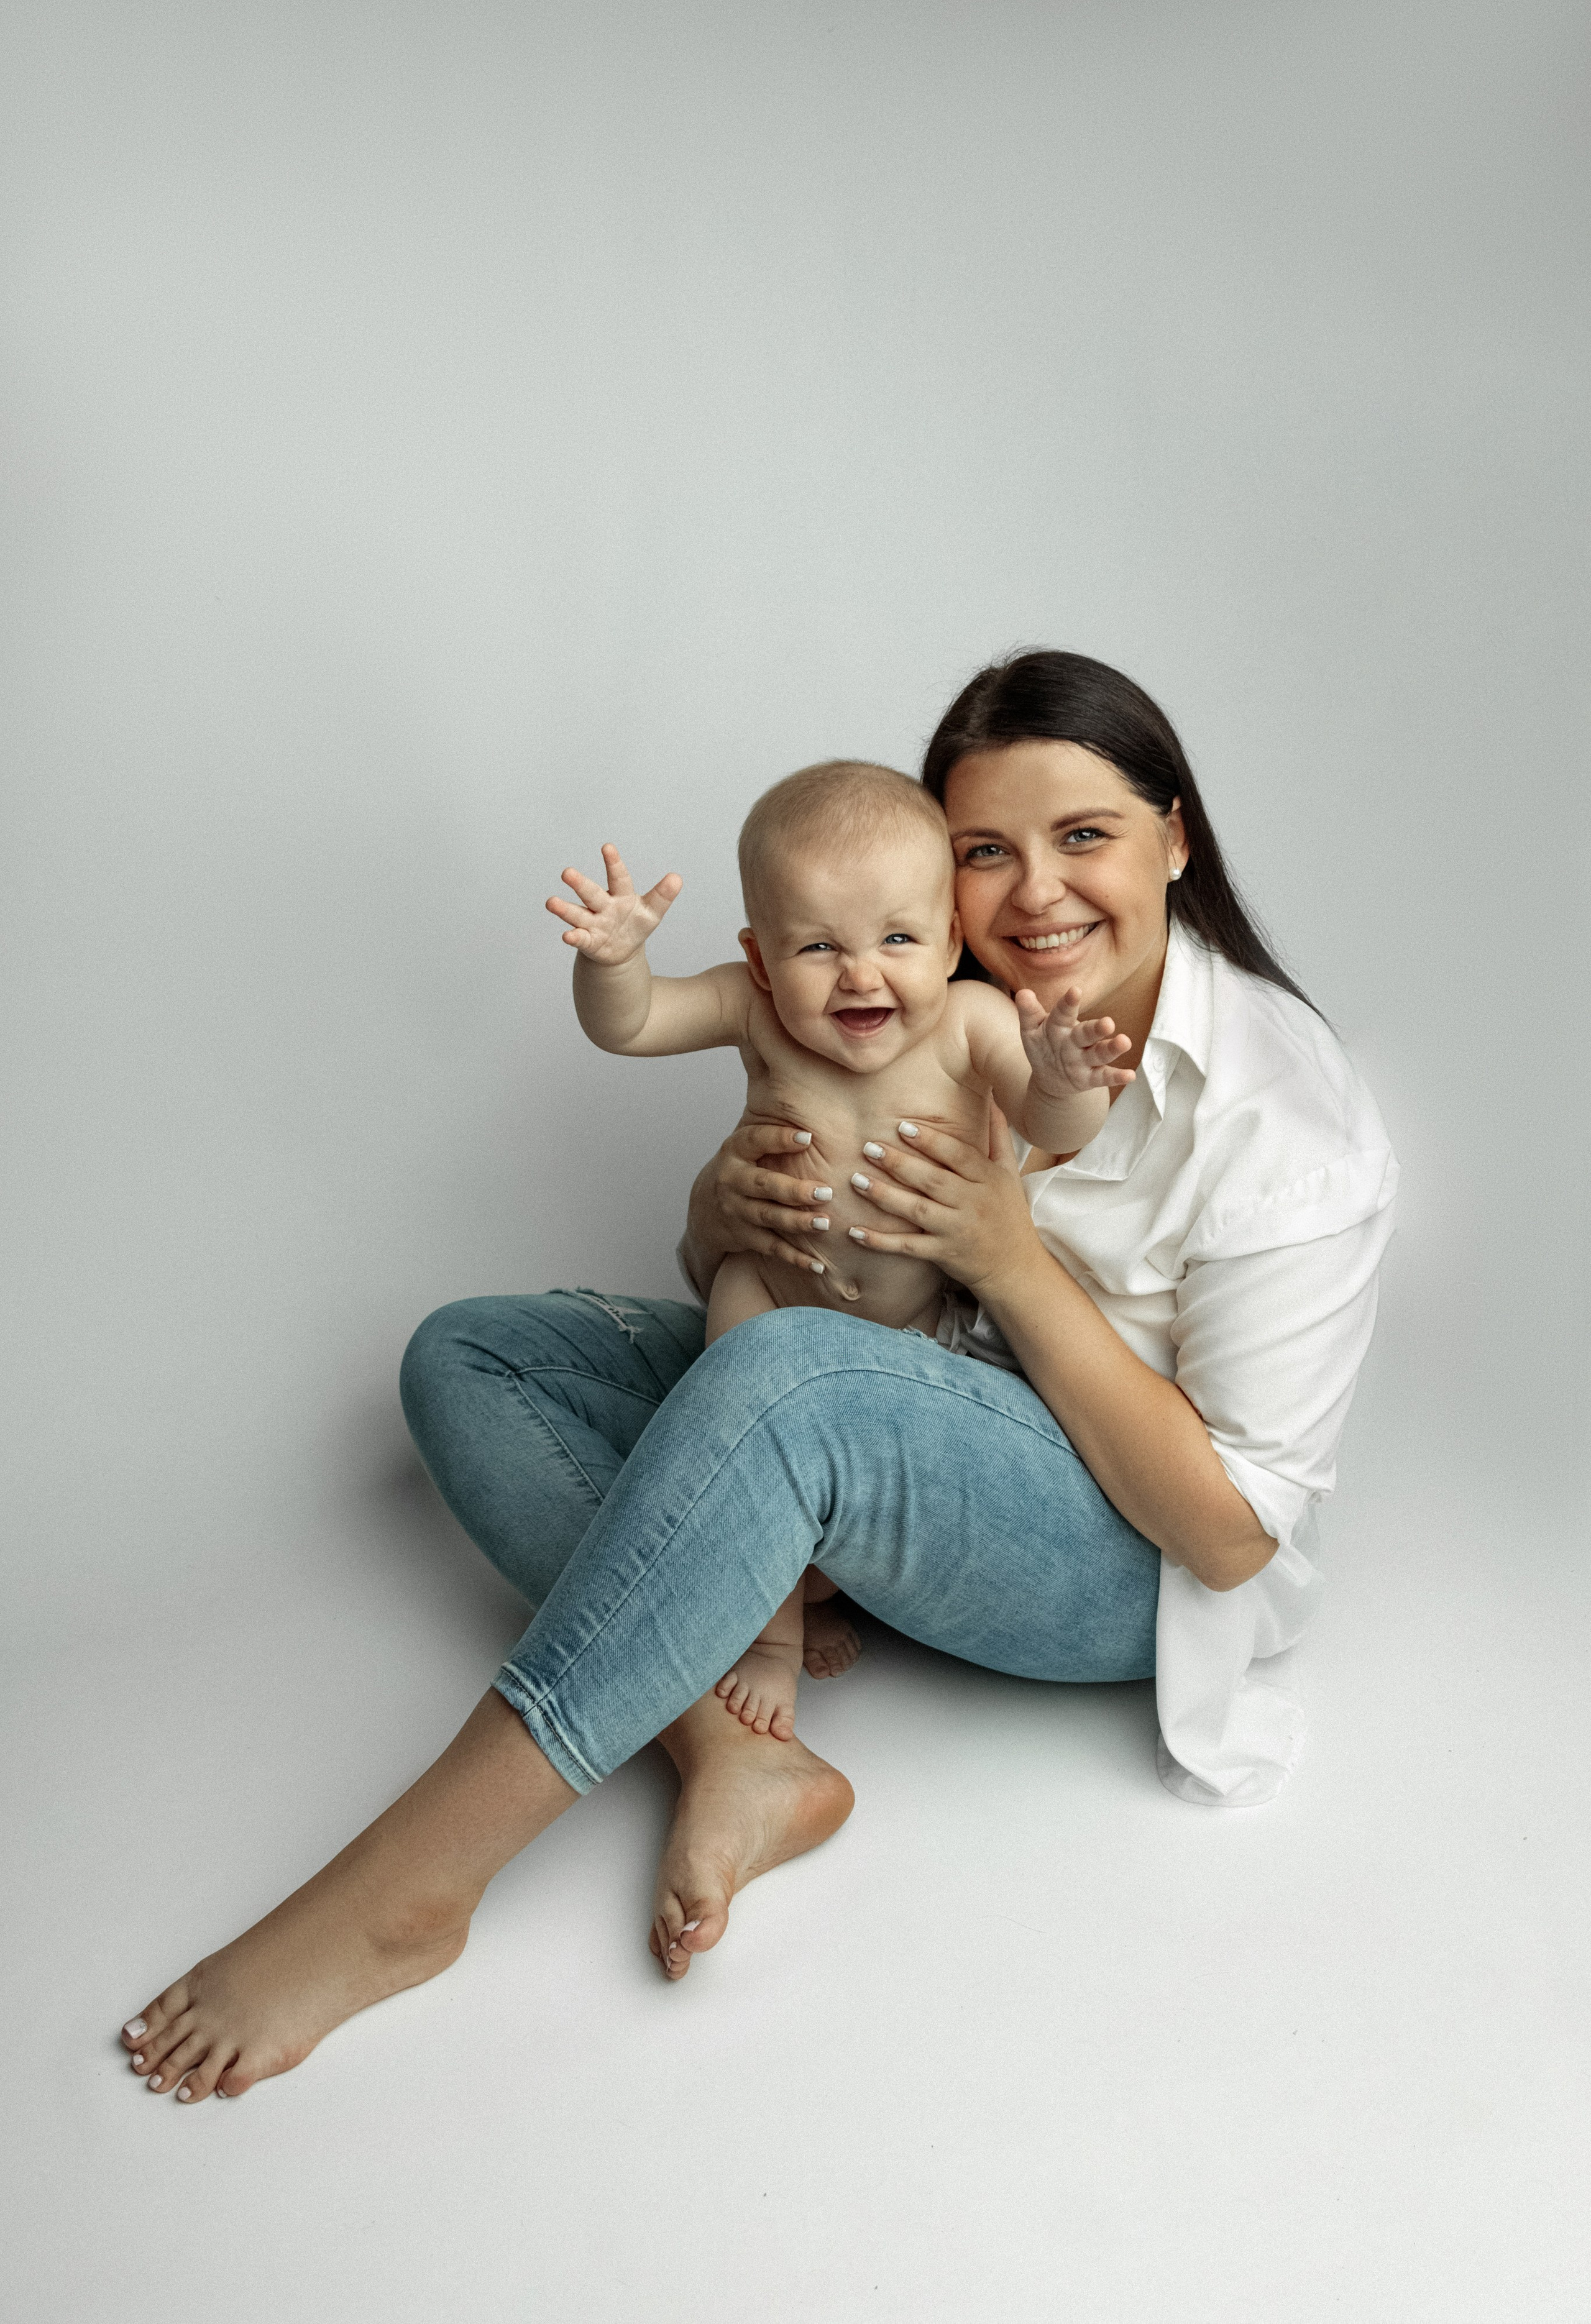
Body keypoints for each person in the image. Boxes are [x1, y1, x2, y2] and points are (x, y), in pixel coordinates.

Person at [117, 650, 1396, 2106]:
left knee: (792, 1379)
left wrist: (1009, 1260)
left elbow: (1232, 1534)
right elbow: (772, 1247)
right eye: (985, 850)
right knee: (467, 1356)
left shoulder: (1288, 1128)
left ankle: (408, 1890)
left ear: (1175, 835)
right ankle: (734, 1748)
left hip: (1129, 1550)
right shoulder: (910, 971)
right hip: (891, 1391)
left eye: (1085, 836)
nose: (1034, 894)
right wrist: (726, 1212)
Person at [547, 759, 1134, 1736]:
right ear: (763, 958)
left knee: (892, 1454)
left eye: (898, 938)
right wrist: (612, 964)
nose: (862, 973)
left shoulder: (971, 1021)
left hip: (927, 1328)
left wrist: (1069, 1075)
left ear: (951, 939)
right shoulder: (754, 1009)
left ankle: (844, 1577)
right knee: (742, 1381)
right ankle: (770, 1636)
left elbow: (1050, 1119)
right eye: (819, 946)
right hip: (776, 1297)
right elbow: (637, 1024)